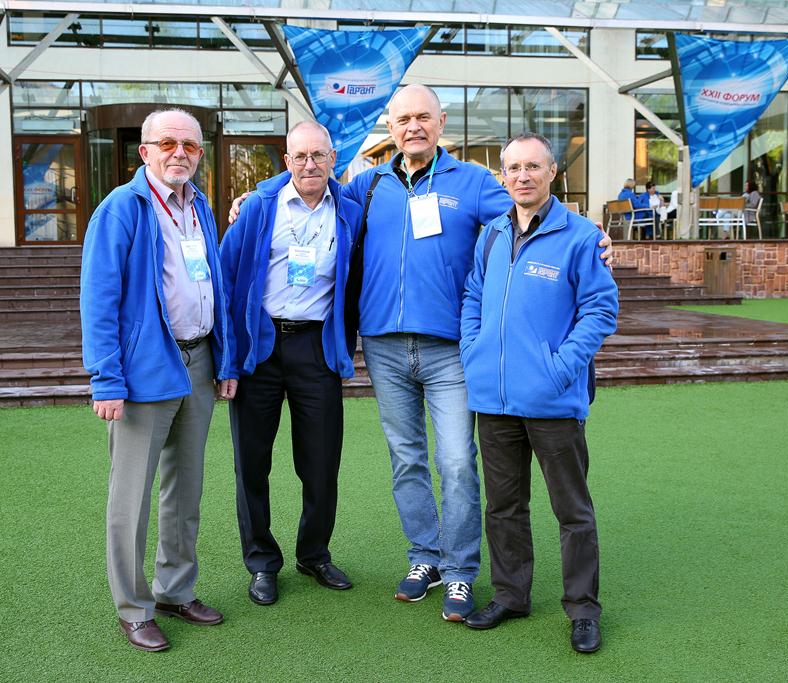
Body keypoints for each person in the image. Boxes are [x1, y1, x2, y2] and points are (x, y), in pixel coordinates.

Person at [231, 85, 613, 623]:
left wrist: (591, 233)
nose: (413, 126)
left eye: (423, 117)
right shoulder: (367, 185)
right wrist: (254, 194)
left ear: (441, 122)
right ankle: (424, 557)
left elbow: (531, 208)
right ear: (391, 127)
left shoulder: (474, 181)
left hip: (448, 349)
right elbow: (309, 179)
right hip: (384, 347)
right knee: (406, 459)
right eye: (404, 118)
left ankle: (459, 570)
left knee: (456, 461)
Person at [80, 108, 237, 653]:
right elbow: (98, 299)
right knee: (131, 500)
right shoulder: (121, 209)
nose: (179, 153)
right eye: (167, 143)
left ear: (200, 154)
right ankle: (133, 608)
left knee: (185, 490)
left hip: (199, 363)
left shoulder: (200, 207)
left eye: (189, 145)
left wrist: (225, 360)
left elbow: (213, 285)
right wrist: (106, 379)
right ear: (144, 152)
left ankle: (175, 591)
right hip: (144, 369)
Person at [459, 132, 618, 653]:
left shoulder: (580, 237)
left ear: (553, 172)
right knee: (504, 507)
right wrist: (473, 349)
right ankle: (511, 595)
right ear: (502, 175)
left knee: (572, 511)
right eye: (513, 168)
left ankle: (583, 609)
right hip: (494, 398)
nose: (522, 176)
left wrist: (561, 368)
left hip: (552, 399)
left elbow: (600, 310)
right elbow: (474, 294)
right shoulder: (491, 234)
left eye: (533, 166)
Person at [219, 121, 360, 606]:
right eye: (300, 156)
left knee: (321, 462)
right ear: (286, 162)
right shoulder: (258, 207)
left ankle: (313, 553)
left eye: (318, 155)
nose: (309, 164)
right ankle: (261, 562)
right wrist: (228, 359)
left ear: (333, 159)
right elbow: (226, 279)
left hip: (316, 348)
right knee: (251, 463)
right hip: (259, 347)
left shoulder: (350, 212)